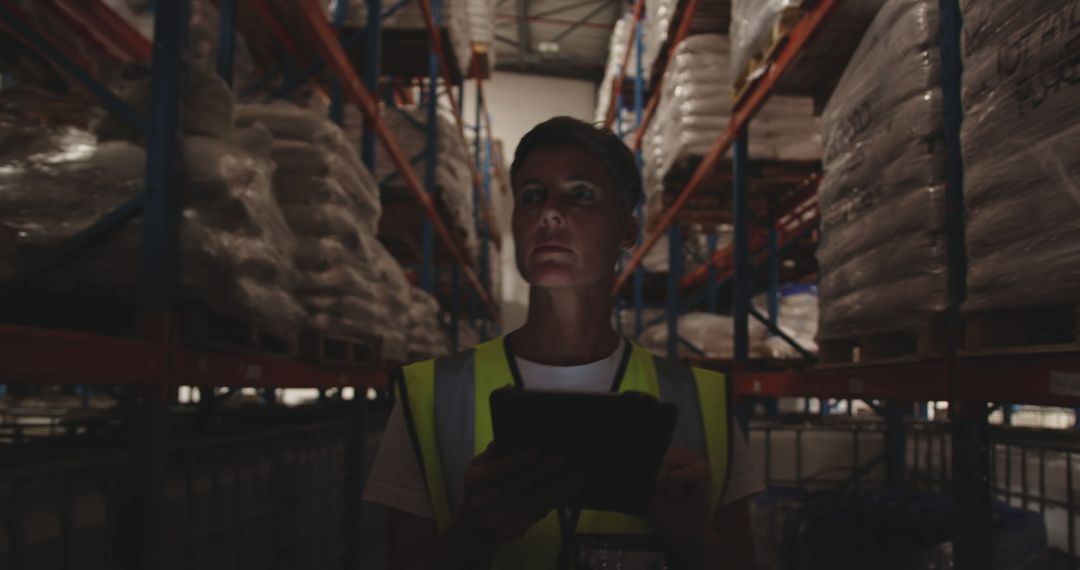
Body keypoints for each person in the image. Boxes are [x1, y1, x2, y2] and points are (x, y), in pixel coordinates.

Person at [364, 116, 763, 569]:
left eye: (580, 194)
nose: (550, 212)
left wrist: (691, 540)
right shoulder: (429, 397)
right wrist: (474, 530)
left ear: (627, 232)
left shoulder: (701, 402)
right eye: (532, 197)